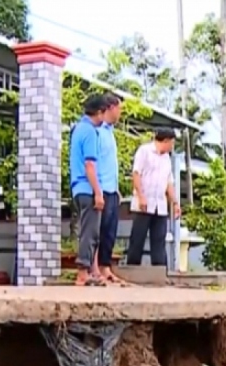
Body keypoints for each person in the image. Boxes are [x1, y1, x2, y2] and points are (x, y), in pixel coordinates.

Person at [126, 128, 180, 266]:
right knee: (138, 239)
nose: (172, 146)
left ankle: (160, 271)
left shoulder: (166, 158)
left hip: (160, 205)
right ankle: (133, 269)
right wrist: (141, 196)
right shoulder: (144, 151)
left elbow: (169, 182)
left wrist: (174, 202)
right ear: (166, 141)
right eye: (172, 143)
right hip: (143, 204)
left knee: (159, 241)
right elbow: (136, 174)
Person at [69, 94, 108, 286]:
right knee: (90, 232)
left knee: (88, 229)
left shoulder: (77, 129)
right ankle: (83, 271)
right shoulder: (90, 132)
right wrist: (98, 192)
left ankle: (90, 271)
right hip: (87, 187)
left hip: (78, 188)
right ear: (99, 113)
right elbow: (90, 165)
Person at [91, 94, 123, 283]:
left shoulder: (110, 131)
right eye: (118, 108)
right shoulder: (97, 131)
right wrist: (98, 190)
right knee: (99, 230)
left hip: (112, 189)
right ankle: (95, 268)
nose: (120, 113)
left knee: (110, 230)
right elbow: (94, 162)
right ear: (110, 108)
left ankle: (105, 267)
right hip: (101, 188)